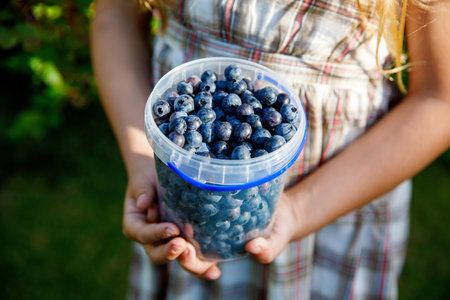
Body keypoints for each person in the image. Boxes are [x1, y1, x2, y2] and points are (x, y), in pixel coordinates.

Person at [90, 0, 450, 299]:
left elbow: (440, 101)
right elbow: (115, 17)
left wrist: (299, 208)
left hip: (336, 201)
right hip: (182, 197)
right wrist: (143, 161)